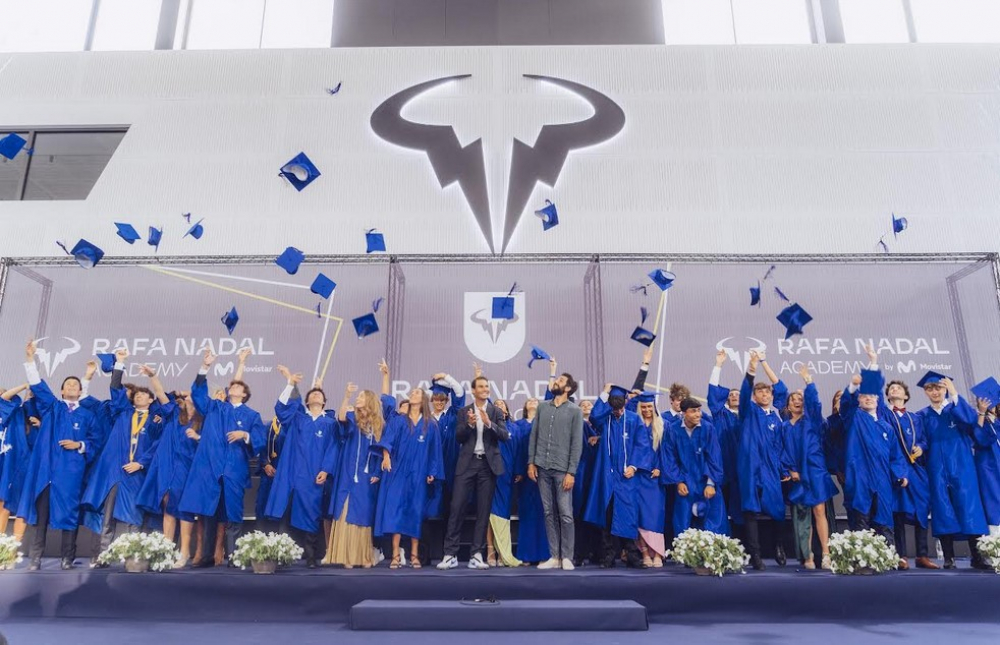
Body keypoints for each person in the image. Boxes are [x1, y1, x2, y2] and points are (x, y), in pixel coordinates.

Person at [180, 349, 266, 566]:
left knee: (233, 513)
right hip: (211, 468)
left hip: (234, 469)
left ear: (244, 394)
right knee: (208, 511)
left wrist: (244, 435)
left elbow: (259, 440)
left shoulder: (252, 415)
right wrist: (205, 366)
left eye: (237, 386)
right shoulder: (216, 407)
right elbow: (198, 395)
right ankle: (206, 555)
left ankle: (234, 556)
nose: (232, 387)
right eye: (231, 386)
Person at [20, 339, 101, 570]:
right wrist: (30, 359)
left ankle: (68, 558)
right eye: (68, 384)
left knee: (69, 514)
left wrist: (79, 445)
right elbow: (38, 386)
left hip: (71, 471)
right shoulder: (53, 407)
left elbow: (95, 441)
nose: (73, 386)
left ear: (81, 391)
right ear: (62, 390)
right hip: (48, 471)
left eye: (76, 385)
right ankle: (35, 558)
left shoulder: (88, 416)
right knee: (41, 515)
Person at [82, 351, 167, 564]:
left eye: (143, 395)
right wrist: (120, 362)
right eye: (136, 395)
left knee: (134, 517)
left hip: (137, 473)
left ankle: (134, 557)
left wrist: (141, 463)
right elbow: (115, 387)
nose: (139, 396)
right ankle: (102, 556)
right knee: (107, 516)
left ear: (151, 400)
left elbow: (157, 446)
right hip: (115, 472)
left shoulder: (155, 421)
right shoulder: (123, 412)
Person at [266, 366, 339, 568]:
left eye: (319, 393)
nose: (315, 394)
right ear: (306, 401)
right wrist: (290, 383)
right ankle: (281, 555)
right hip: (292, 473)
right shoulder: (298, 418)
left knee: (311, 513)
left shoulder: (330, 423)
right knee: (286, 511)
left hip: (313, 475)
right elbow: (281, 409)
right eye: (312, 393)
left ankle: (311, 556)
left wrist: (326, 469)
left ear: (324, 402)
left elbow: (333, 448)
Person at [915, 371, 988, 569]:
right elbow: (921, 440)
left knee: (969, 508)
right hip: (936, 469)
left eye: (938, 388)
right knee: (943, 510)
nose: (934, 392)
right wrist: (919, 447)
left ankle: (977, 556)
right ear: (925, 392)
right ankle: (949, 557)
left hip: (963, 467)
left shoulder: (956, 409)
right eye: (930, 389)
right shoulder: (922, 416)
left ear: (945, 389)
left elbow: (971, 422)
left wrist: (954, 393)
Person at [437, 374, 509, 570]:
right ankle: (450, 554)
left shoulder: (495, 411)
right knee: (456, 508)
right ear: (474, 391)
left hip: (488, 465)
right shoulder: (464, 411)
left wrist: (489, 423)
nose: (486, 389)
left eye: (487, 386)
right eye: (482, 386)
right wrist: (469, 425)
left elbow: (504, 436)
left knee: (483, 511)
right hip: (466, 464)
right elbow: (459, 437)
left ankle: (476, 554)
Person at [838, 365, 909, 547]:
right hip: (859, 479)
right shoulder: (854, 418)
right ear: (858, 400)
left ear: (878, 400)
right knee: (861, 521)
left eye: (872, 396)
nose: (868, 398)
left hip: (882, 480)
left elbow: (895, 456)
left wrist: (900, 474)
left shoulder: (887, 428)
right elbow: (846, 404)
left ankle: (887, 557)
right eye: (863, 396)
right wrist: (853, 386)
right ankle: (862, 558)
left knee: (884, 521)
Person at [375, 386, 443, 569]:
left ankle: (414, 555)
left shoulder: (430, 425)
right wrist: (386, 456)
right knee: (395, 511)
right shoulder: (399, 421)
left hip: (418, 474)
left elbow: (434, 451)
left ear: (423, 400)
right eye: (412, 392)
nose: (413, 394)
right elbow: (388, 440)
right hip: (398, 471)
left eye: (417, 393)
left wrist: (432, 472)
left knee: (415, 512)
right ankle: (395, 555)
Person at [878, 365, 937, 570]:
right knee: (898, 512)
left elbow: (924, 440)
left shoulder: (916, 418)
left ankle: (922, 555)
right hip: (896, 468)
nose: (894, 389)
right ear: (887, 396)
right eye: (891, 389)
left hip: (916, 469)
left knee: (921, 509)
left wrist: (921, 447)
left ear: (906, 395)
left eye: (898, 388)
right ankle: (901, 555)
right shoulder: (885, 415)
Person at [584, 383, 649, 568]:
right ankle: (608, 556)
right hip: (607, 476)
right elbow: (594, 416)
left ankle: (632, 555)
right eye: (615, 407)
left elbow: (642, 445)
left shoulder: (634, 419)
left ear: (625, 403)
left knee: (628, 514)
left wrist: (634, 466)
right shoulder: (606, 419)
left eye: (620, 407)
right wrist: (604, 392)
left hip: (626, 477)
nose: (618, 412)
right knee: (607, 515)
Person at [737, 350, 791, 570]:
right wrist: (752, 368)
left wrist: (764, 362)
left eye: (767, 392)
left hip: (770, 469)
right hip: (750, 468)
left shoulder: (778, 419)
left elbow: (781, 447)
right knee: (750, 510)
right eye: (760, 392)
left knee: (777, 510)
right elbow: (744, 393)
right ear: (755, 397)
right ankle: (755, 555)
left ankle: (779, 545)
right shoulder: (749, 411)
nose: (765, 395)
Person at [137, 388, 202, 567]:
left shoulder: (204, 419)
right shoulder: (176, 415)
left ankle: (184, 552)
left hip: (189, 468)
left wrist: (198, 437)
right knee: (168, 506)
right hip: (170, 467)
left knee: (184, 508)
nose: (186, 397)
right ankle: (166, 551)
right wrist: (153, 376)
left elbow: (212, 443)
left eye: (191, 395)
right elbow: (160, 394)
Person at [781, 365, 835, 570]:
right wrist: (789, 470)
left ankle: (826, 554)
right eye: (793, 399)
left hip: (815, 471)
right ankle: (808, 555)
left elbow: (815, 404)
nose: (797, 401)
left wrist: (808, 382)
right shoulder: (784, 427)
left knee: (819, 510)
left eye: (800, 399)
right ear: (787, 405)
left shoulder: (812, 421)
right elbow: (781, 451)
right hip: (797, 474)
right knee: (803, 516)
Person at [528, 371, 584, 570]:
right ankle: (554, 556)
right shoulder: (543, 407)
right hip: (542, 466)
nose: (555, 382)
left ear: (567, 388)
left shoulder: (575, 411)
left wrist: (571, 472)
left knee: (566, 513)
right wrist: (531, 462)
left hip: (562, 470)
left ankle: (567, 556)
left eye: (560, 381)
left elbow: (577, 444)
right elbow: (534, 435)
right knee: (548, 512)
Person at [323, 383, 383, 568]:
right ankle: (346, 557)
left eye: (361, 396)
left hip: (366, 475)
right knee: (346, 508)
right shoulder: (352, 417)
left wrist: (377, 472)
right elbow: (341, 418)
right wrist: (347, 396)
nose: (358, 399)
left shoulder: (378, 425)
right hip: (348, 472)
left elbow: (381, 452)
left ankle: (363, 556)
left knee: (363, 512)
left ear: (370, 401)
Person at [662, 397, 728, 537]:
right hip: (685, 481)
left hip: (705, 480)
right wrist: (679, 482)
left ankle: (712, 550)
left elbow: (714, 458)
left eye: (699, 410)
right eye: (693, 411)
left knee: (713, 521)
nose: (698, 414)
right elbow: (670, 458)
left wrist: (711, 483)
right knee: (682, 521)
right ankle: (684, 549)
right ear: (684, 413)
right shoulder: (673, 430)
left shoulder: (708, 428)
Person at [707, 350, 742, 534]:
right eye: (731, 394)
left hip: (742, 468)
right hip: (723, 465)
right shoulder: (720, 414)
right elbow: (713, 392)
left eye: (738, 394)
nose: (734, 396)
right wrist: (718, 365)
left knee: (744, 511)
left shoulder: (749, 417)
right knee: (722, 508)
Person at [486, 400, 522, 567]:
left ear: (507, 411)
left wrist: (519, 470)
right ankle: (490, 550)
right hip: (487, 472)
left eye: (502, 404)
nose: (499, 405)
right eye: (496, 404)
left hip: (506, 474)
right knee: (487, 512)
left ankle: (503, 553)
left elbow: (519, 450)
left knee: (502, 513)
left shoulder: (515, 429)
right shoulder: (487, 426)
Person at [514, 398, 550, 565]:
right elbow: (516, 449)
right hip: (524, 475)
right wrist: (518, 470)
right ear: (524, 406)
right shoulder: (518, 425)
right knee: (527, 514)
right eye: (529, 400)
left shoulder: (545, 423)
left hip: (543, 472)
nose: (532, 402)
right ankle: (526, 555)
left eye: (536, 400)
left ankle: (544, 555)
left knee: (544, 514)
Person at [632, 392, 665, 568]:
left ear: (654, 407)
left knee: (656, 516)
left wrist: (660, 468)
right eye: (643, 407)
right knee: (640, 517)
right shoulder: (635, 424)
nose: (646, 410)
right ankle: (645, 553)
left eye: (649, 407)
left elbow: (665, 452)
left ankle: (658, 553)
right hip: (638, 477)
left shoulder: (661, 426)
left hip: (655, 479)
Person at [0, 383, 32, 537]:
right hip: (4, 462)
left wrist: (28, 391)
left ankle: (3, 545)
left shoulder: (17, 413)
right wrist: (24, 385)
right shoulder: (4, 407)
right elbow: (4, 399)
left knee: (5, 503)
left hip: (11, 463)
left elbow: (23, 404)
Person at [973, 401, 1000, 538]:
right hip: (988, 468)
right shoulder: (977, 418)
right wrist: (982, 413)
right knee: (993, 501)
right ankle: (995, 542)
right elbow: (978, 439)